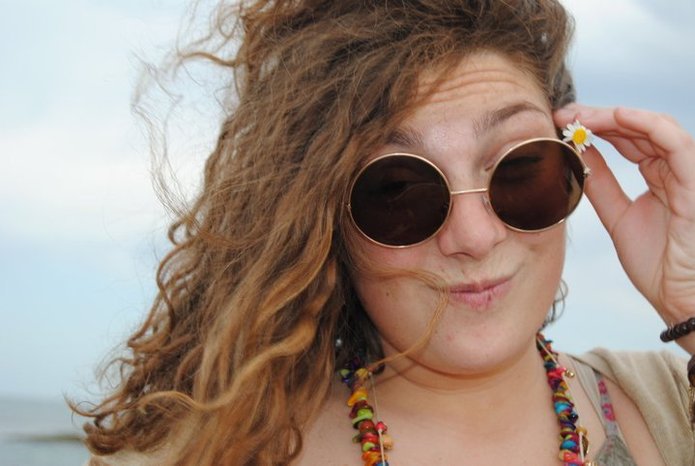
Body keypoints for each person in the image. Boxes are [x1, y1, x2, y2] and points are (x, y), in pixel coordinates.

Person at [76, 1, 695, 465]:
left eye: (519, 168)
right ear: (323, 224)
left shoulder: (670, 403)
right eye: (398, 189)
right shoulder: (203, 453)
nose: (474, 235)